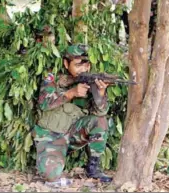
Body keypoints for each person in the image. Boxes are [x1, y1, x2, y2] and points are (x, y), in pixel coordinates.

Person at [32, 44, 112, 183]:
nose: (83, 69)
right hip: (50, 135)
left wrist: (100, 93)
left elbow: (100, 113)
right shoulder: (52, 77)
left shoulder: (91, 81)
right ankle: (56, 157)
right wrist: (71, 93)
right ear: (65, 63)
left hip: (74, 133)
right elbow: (44, 104)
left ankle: (93, 168)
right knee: (50, 175)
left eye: (86, 65)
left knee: (100, 120)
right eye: (78, 65)